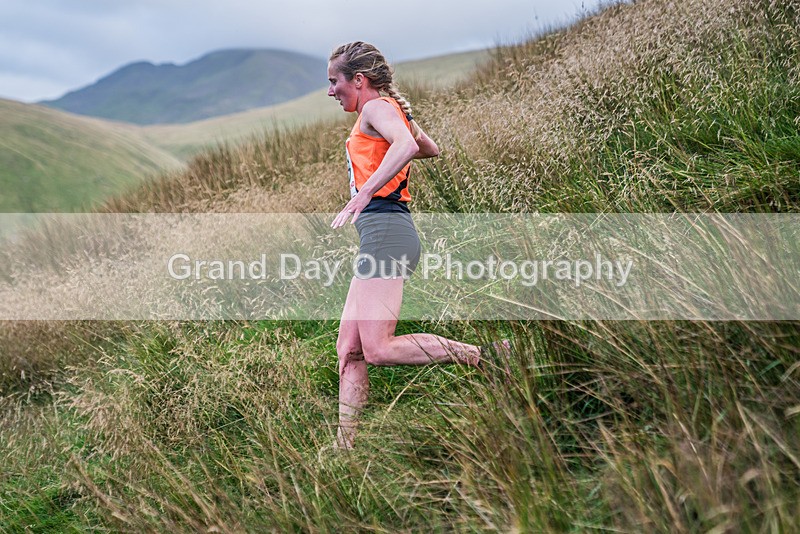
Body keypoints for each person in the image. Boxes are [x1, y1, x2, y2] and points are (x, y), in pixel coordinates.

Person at [327, 41, 509, 450]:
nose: (330, 91)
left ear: (359, 80)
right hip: (381, 233)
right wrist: (405, 129)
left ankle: (484, 355)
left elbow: (408, 147)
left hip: (388, 231)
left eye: (334, 81)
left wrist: (364, 193)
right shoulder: (387, 111)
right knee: (349, 350)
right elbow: (428, 147)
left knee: (377, 348)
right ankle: (344, 450)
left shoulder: (375, 108)